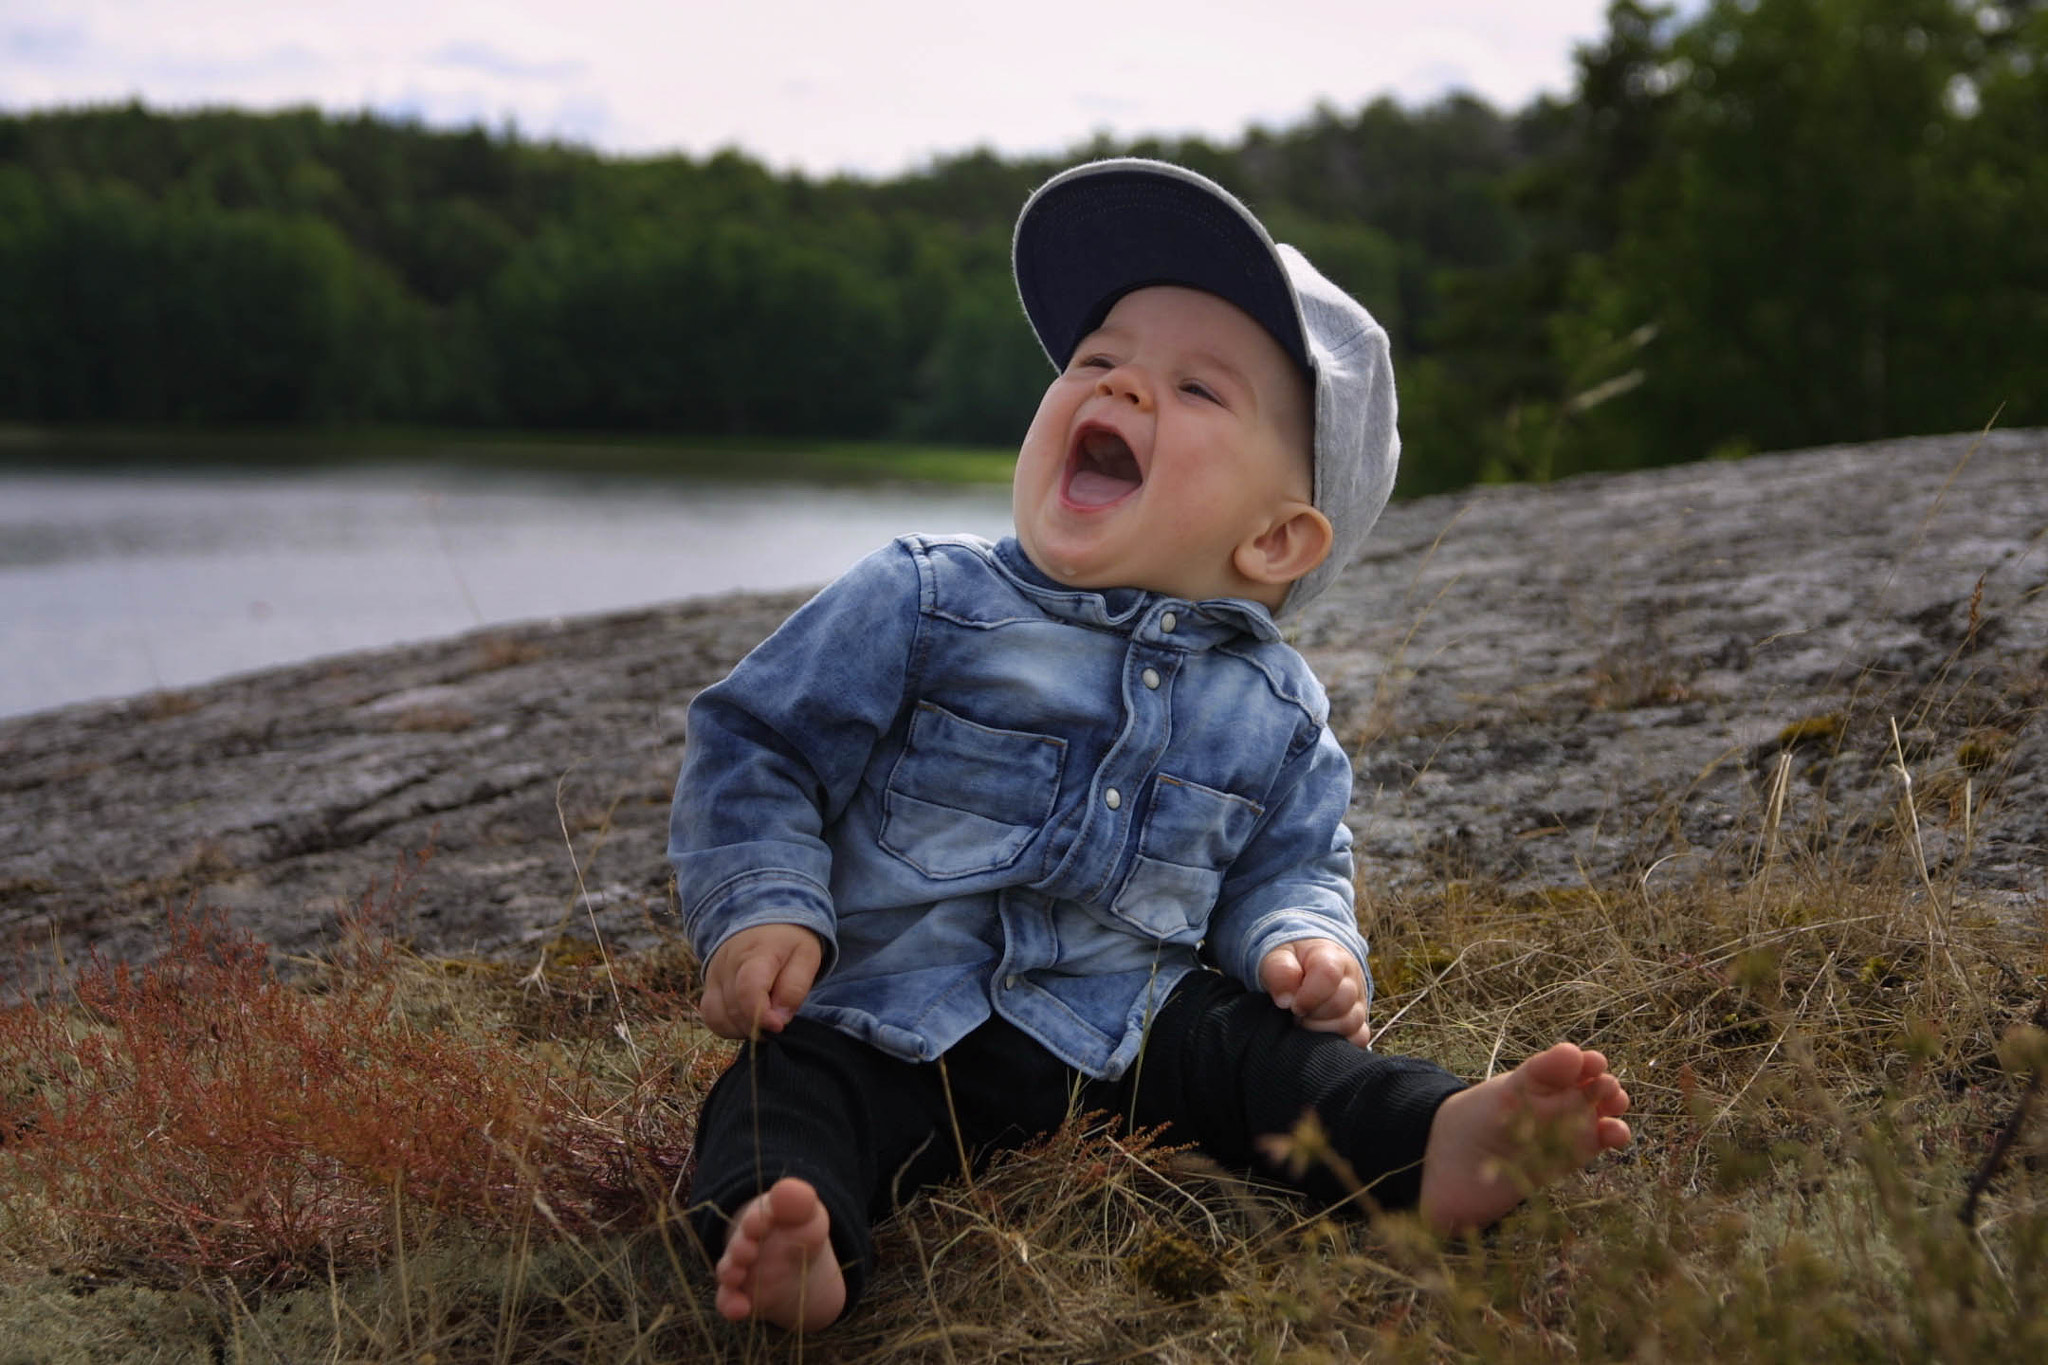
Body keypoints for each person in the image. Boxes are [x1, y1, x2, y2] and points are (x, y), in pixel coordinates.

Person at [668, 159, 1631, 1332]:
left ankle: (1427, 1143)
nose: (1120, 385)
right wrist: (765, 905)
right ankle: (792, 1241)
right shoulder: (922, 601)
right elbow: (754, 740)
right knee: (780, 1099)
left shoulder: (1274, 708)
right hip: (883, 1014)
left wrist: (1301, 945)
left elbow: (1290, 865)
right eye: (1095, 359)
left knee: (1271, 1067)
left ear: (1276, 539)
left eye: (1194, 387)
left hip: (1123, 1033)